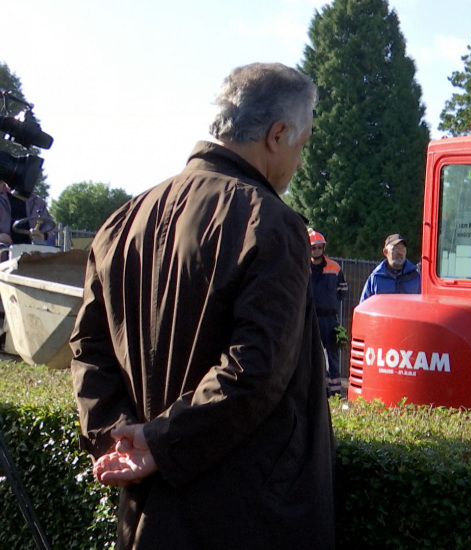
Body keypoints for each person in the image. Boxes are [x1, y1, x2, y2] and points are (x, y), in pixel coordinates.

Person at [69, 63, 335, 550]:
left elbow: (88, 350)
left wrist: (118, 436)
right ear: (277, 135)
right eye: (303, 142)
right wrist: (157, 442)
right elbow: (255, 369)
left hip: (144, 513)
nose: (300, 158)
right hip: (245, 517)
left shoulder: (121, 223)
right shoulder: (270, 223)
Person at [309, 228, 348, 396]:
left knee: (332, 357)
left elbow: (343, 290)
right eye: (313, 247)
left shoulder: (335, 267)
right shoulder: (302, 266)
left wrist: (331, 303)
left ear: (324, 247)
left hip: (330, 319)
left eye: (319, 247)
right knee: (310, 356)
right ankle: (314, 392)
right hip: (310, 319)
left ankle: (336, 394)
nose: (316, 250)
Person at [359, 233, 421, 302]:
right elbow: (364, 305)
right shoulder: (376, 278)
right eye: (395, 249)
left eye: (402, 248)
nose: (400, 253)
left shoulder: (416, 277)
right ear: (385, 252)